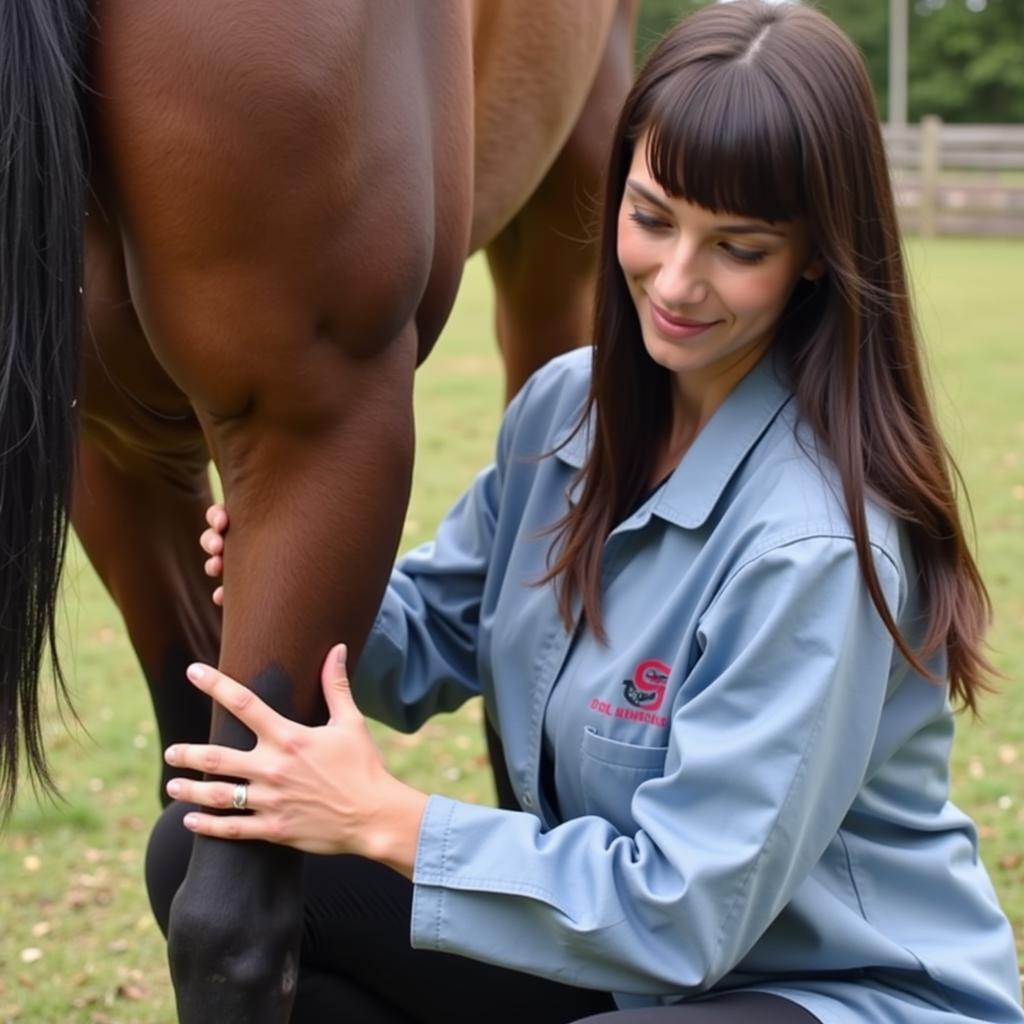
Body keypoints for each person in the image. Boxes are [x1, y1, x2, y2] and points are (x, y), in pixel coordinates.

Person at [146, 2, 1024, 1021]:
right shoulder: (566, 410)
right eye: (652, 217)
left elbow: (686, 907)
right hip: (629, 975)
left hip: (827, 991)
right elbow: (425, 633)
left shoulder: (818, 542)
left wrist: (391, 820)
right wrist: (275, 573)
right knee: (218, 853)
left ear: (816, 255)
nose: (677, 280)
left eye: (737, 246)